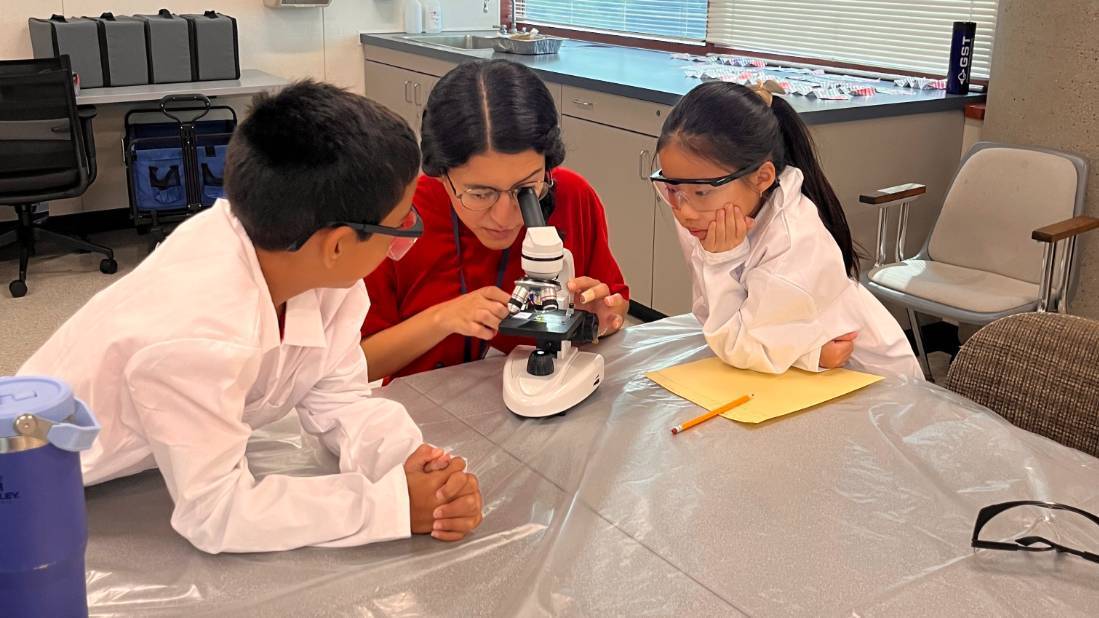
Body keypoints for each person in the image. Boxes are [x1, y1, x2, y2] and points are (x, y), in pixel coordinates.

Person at [19, 81, 484, 553]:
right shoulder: (197, 333)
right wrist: (388, 506)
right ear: (339, 244)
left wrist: (411, 467)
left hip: (150, 455)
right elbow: (215, 513)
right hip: (32, 477)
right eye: (402, 222)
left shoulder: (312, 268)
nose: (406, 236)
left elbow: (340, 398)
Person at [361, 60, 629, 381]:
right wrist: (441, 319)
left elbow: (615, 305)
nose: (504, 217)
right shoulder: (398, 216)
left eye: (525, 189)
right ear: (441, 175)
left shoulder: (573, 195)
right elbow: (357, 365)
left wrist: (600, 319)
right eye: (480, 194)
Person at [650, 81, 922, 379]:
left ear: (762, 177)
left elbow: (739, 345)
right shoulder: (707, 215)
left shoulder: (794, 241)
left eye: (701, 193)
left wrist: (721, 262)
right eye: (672, 187)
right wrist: (802, 352)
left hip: (872, 376)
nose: (684, 211)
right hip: (800, 370)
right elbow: (711, 315)